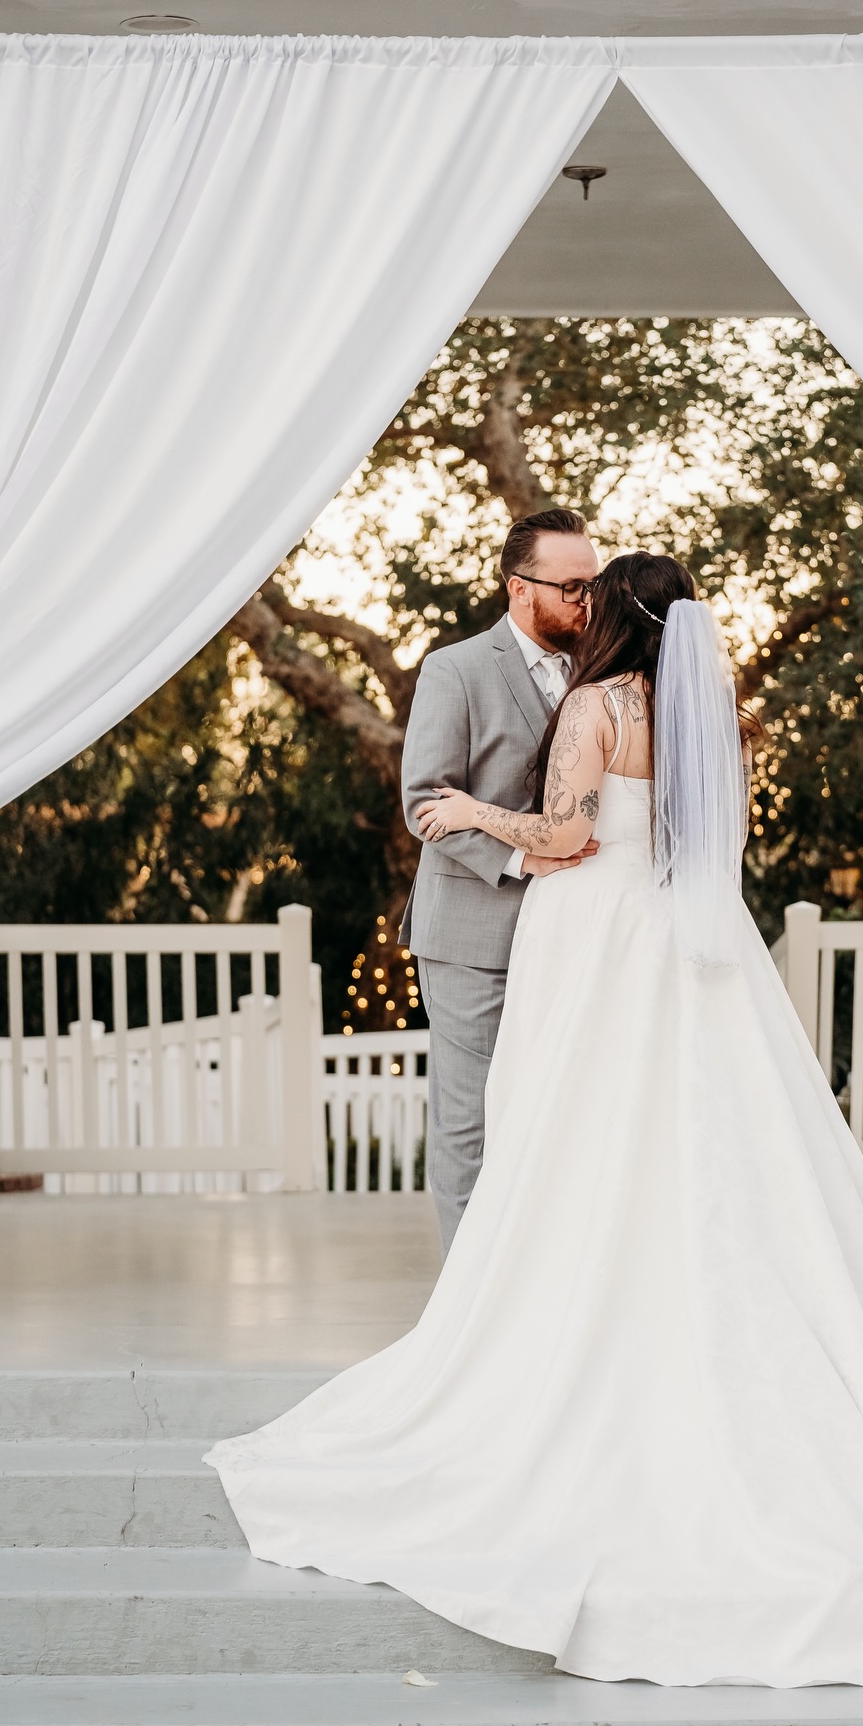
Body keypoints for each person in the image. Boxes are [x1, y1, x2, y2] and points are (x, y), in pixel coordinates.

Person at [207, 552, 863, 1689]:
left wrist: (475, 810)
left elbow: (569, 838)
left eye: (594, 598)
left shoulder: (595, 706)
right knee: (711, 1139)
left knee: (581, 1136)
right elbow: (698, 844)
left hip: (596, 942)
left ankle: (572, 1307)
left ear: (616, 619)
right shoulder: (713, 717)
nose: (578, 611)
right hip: (694, 942)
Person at [397, 507, 600, 1253]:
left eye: (594, 585)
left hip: (577, 932)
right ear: (519, 588)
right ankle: (466, 1305)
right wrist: (522, 858)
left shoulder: (600, 671)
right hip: (472, 932)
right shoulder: (455, 669)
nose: (586, 600)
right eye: (572, 587)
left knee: (556, 1111)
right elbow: (425, 801)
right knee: (471, 1121)